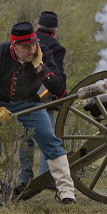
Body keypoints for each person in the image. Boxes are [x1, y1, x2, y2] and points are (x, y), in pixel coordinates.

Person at [0, 21, 75, 204]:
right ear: (14, 46)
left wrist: (40, 67)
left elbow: (59, 88)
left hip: (28, 104)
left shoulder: (42, 53)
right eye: (26, 47)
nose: (32, 50)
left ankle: (66, 192)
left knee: (49, 139)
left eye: (34, 44)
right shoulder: (1, 53)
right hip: (1, 103)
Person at [18, 11, 66, 186]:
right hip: (45, 98)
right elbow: (58, 77)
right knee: (48, 137)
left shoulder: (25, 42)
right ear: (54, 30)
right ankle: (46, 178)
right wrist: (63, 96)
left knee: (26, 138)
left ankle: (24, 178)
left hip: (23, 97)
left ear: (38, 26)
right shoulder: (56, 47)